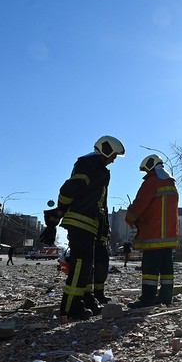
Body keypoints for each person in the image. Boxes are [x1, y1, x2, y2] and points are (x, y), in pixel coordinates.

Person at [49, 135, 124, 321]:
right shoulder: (90, 165)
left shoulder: (99, 169)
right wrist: (59, 211)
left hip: (90, 224)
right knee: (81, 265)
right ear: (105, 150)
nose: (114, 159)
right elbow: (69, 190)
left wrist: (103, 228)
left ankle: (86, 299)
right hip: (80, 221)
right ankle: (70, 307)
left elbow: (100, 203)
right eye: (113, 155)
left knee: (87, 265)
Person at [125, 154, 179, 307]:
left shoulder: (152, 181)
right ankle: (166, 298)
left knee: (150, 270)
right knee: (167, 269)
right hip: (168, 238)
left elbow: (140, 204)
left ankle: (148, 300)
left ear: (149, 166)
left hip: (153, 236)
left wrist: (130, 218)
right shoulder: (171, 182)